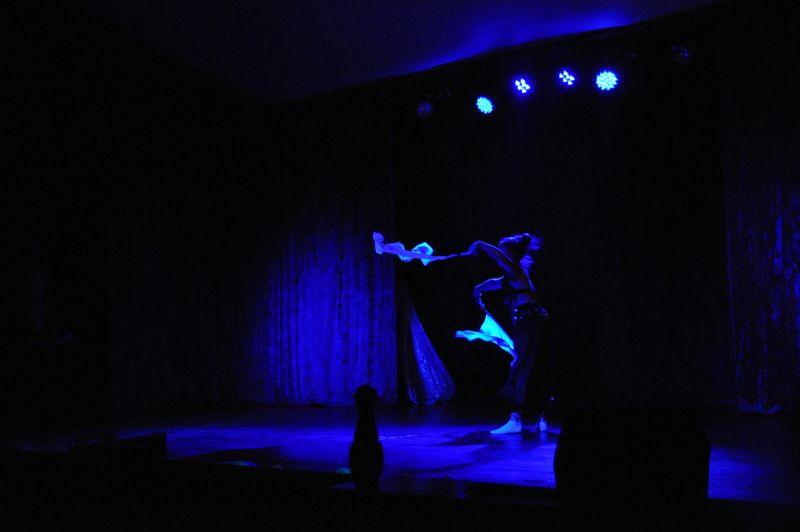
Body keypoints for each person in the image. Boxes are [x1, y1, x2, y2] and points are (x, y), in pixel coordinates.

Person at [465, 233, 548, 434]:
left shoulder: (516, 269)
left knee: (522, 366)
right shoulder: (514, 275)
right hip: (531, 321)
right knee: (529, 366)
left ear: (511, 254)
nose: (500, 256)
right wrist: (479, 288)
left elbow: (500, 259)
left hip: (530, 321)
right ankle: (537, 418)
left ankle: (518, 419)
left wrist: (479, 242)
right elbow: (495, 282)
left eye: (503, 250)